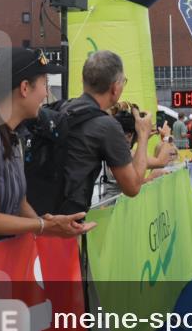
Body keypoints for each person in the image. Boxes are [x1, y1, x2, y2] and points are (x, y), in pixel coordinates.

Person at [0, 48, 95, 252]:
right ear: (25, 88)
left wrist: (51, 226)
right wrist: (42, 225)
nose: (46, 94)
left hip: (4, 262)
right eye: (44, 84)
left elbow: (18, 203)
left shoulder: (12, 133)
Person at [59, 50, 153, 215]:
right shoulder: (106, 126)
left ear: (83, 80)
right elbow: (133, 187)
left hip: (41, 217)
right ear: (115, 88)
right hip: (68, 223)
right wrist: (143, 135)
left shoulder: (63, 108)